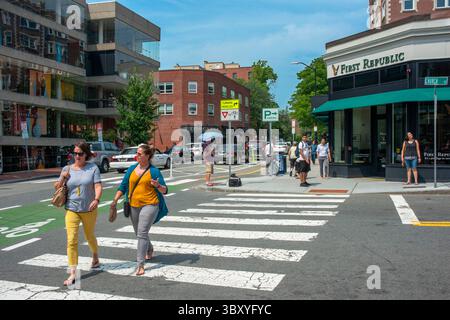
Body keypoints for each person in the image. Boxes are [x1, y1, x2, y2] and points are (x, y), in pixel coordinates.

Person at [110, 144, 169, 276]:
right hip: (133, 205)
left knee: (142, 233)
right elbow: (123, 186)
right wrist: (115, 200)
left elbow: (165, 190)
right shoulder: (131, 169)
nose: (137, 156)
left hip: (150, 204)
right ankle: (149, 248)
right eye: (137, 153)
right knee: (139, 232)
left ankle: (140, 264)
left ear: (147, 156)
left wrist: (158, 185)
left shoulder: (154, 171)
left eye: (140, 153)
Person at [54, 142, 102, 287]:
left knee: (89, 236)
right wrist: (62, 177)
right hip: (71, 208)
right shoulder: (67, 168)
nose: (77, 156)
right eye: (75, 153)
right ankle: (73, 273)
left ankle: (95, 256)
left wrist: (96, 199)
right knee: (71, 240)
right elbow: (57, 187)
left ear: (86, 154)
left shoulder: (92, 168)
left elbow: (98, 185)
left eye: (80, 153)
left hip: (89, 209)